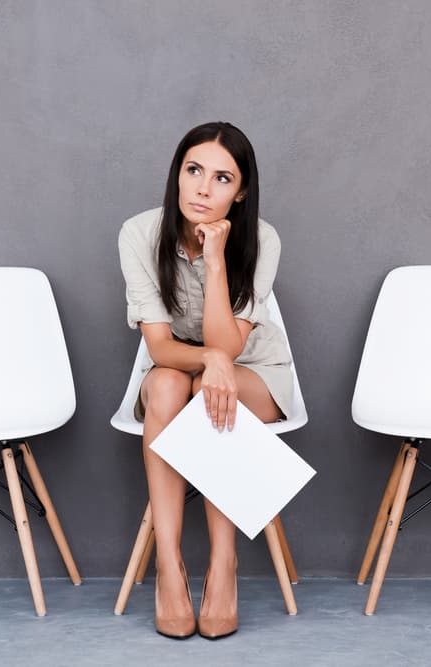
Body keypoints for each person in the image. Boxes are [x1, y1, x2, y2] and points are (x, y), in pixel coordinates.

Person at [118, 122, 293, 639]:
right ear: (177, 173)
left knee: (203, 391)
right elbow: (159, 347)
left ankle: (223, 564)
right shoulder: (139, 234)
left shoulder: (262, 240)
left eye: (221, 178)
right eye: (193, 170)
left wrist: (216, 262)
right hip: (177, 365)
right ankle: (168, 566)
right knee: (170, 385)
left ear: (240, 192)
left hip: (255, 372)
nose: (202, 188)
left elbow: (231, 347)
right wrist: (211, 361)